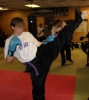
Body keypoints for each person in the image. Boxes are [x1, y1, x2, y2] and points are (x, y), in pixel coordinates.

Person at [4, 8, 87, 100]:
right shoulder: (8, 41)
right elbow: (9, 60)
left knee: (58, 40)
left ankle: (78, 21)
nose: (21, 29)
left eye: (22, 26)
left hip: (41, 52)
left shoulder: (27, 34)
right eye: (19, 27)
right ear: (13, 27)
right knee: (38, 89)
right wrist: (11, 49)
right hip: (34, 64)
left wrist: (46, 41)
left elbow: (38, 44)